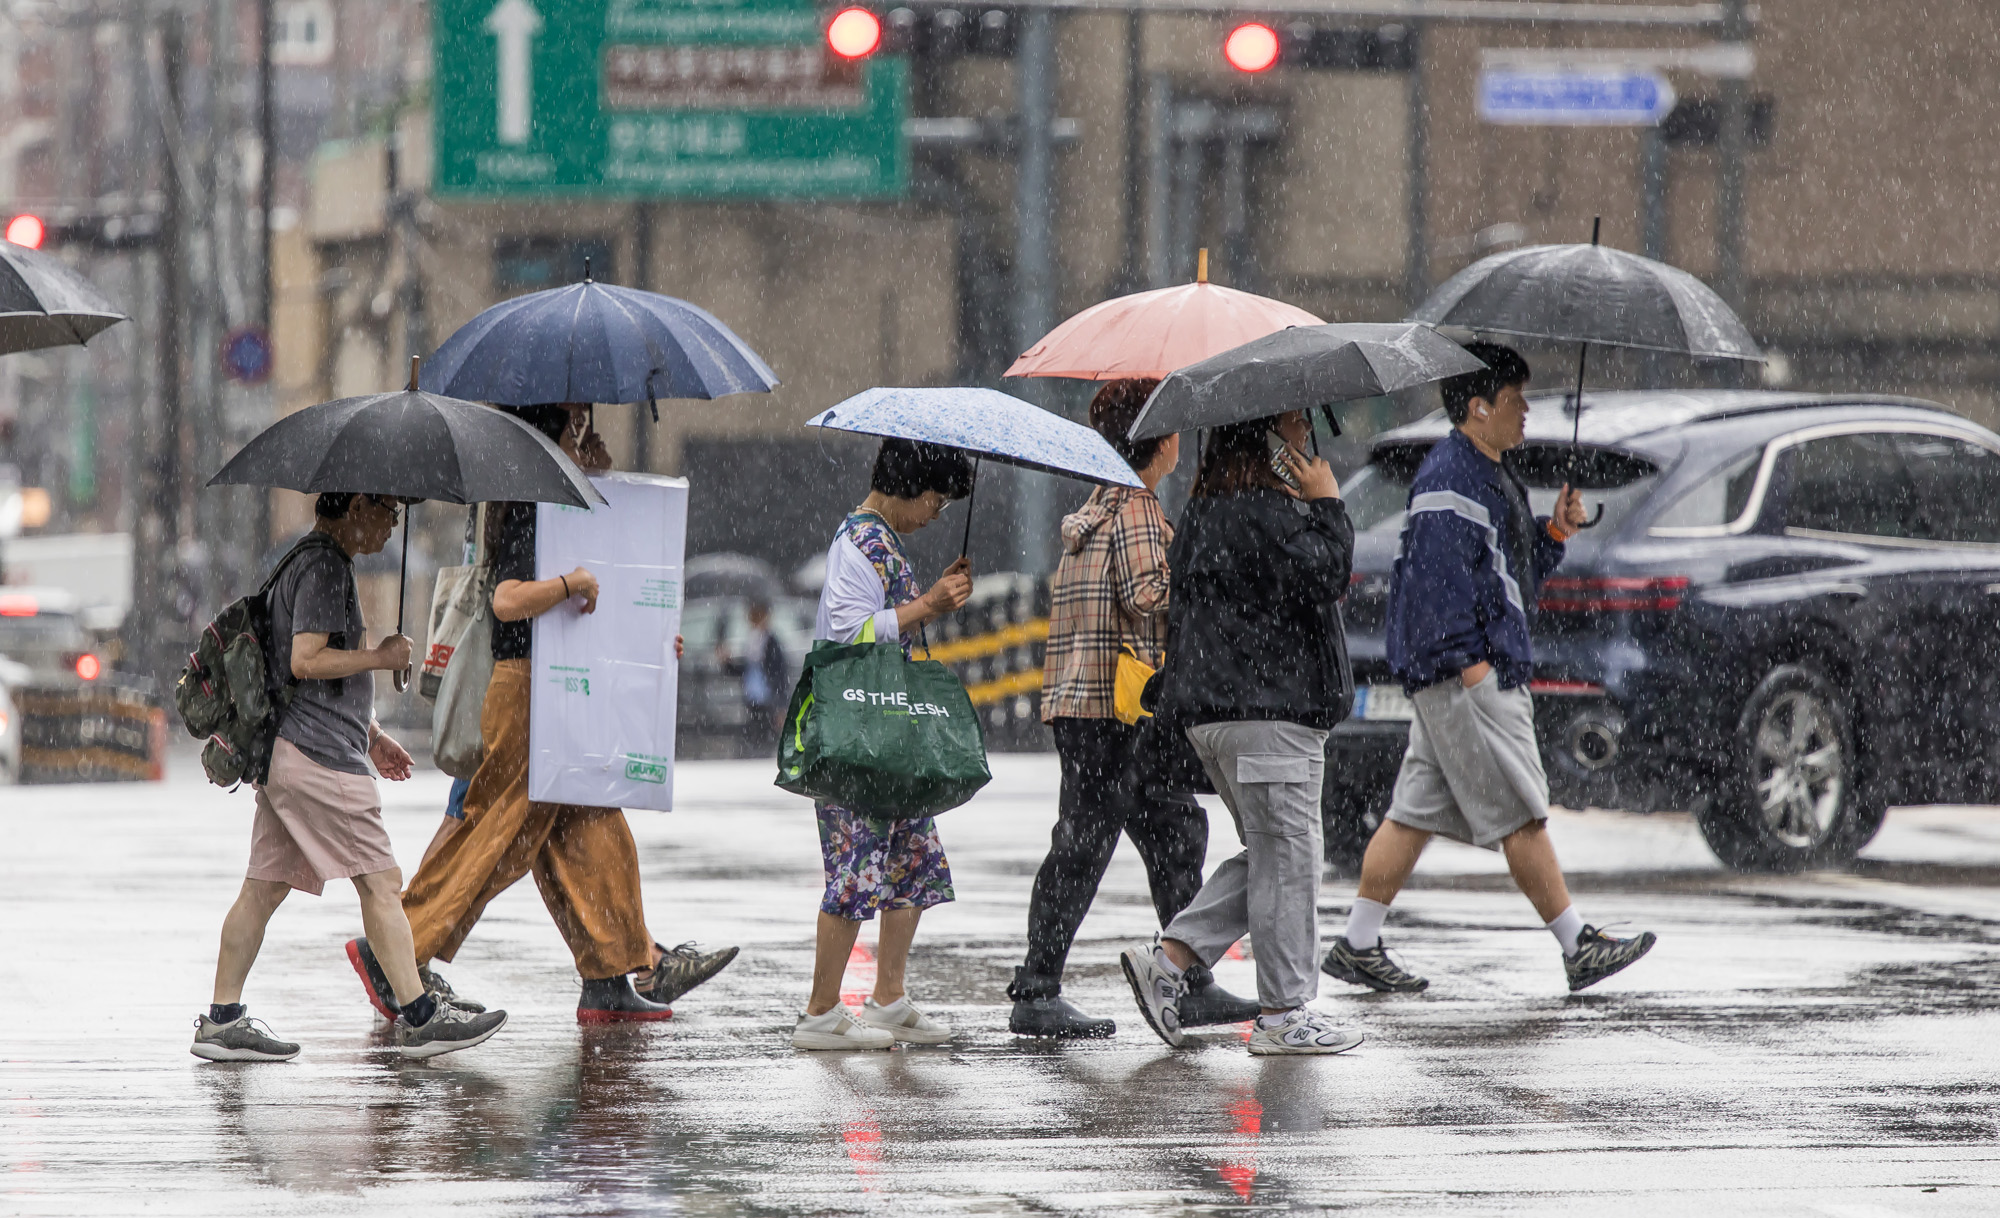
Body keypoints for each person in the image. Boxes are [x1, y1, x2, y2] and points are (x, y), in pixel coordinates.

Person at [367, 404, 738, 1025]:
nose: (590, 444)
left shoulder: (564, 511)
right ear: (550, 439)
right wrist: (570, 584)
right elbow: (509, 600)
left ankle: (613, 972)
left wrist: (650, 639)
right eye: (577, 431)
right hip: (529, 689)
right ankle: (397, 946)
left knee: (588, 822)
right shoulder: (536, 506)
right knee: (498, 834)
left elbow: (596, 602)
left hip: (561, 687)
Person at [1321, 342, 1656, 996]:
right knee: (1522, 813)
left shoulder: (1483, 470)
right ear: (1479, 407)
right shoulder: (1453, 477)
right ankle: (1578, 946)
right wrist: (1470, 667)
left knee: (1412, 813)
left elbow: (1508, 580)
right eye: (1514, 398)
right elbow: (1436, 585)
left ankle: (1357, 944)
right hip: (1471, 676)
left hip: (1462, 673)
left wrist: (1553, 534)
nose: (1525, 410)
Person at [192, 492, 509, 1062]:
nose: (392, 522)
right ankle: (421, 1017)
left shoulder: (303, 559)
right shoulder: (324, 566)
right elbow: (306, 660)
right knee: (380, 884)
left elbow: (309, 677)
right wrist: (382, 658)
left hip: (291, 751)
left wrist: (372, 733)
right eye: (387, 509)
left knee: (262, 890)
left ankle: (221, 1020)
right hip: (321, 758)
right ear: (357, 507)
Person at [1008, 379, 1258, 1038]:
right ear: (1162, 441)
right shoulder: (1140, 507)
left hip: (1085, 703)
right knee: (1084, 844)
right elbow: (1150, 595)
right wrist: (1201, 567)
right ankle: (1037, 990)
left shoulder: (1096, 506)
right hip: (1117, 712)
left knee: (1173, 832)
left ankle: (1190, 979)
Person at [1119, 411, 1366, 1056]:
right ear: (1264, 439)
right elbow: (1327, 575)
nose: (1304, 435)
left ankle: (1170, 960)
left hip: (1222, 715)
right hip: (1268, 715)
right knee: (1287, 861)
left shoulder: (1206, 512)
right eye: (1294, 425)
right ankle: (1283, 1015)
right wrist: (1328, 505)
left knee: (1274, 854)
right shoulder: (1261, 513)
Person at [791, 438, 974, 1051]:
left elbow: (887, 621)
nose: (936, 515)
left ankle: (888, 997)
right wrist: (927, 605)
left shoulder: (881, 542)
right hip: (858, 737)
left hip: (888, 732)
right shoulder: (858, 543)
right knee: (855, 866)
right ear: (913, 489)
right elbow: (849, 636)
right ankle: (820, 1013)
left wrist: (930, 600)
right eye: (937, 503)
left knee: (913, 862)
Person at [726, 598, 788, 753]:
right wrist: (728, 663)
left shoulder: (771, 642)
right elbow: (745, 669)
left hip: (767, 696)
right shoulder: (751, 640)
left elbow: (779, 673)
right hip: (753, 695)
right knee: (754, 733)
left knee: (765, 735)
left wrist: (781, 704)